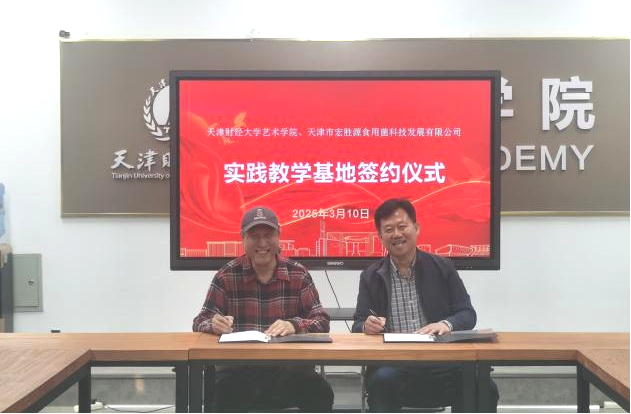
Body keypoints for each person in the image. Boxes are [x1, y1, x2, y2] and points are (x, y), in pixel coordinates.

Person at [352, 198, 499, 413]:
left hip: (444, 362)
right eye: (389, 229)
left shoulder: (443, 267)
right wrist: (367, 326)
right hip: (395, 363)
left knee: (483, 386)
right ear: (380, 237)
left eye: (402, 226)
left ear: (416, 228)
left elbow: (467, 314)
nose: (396, 234)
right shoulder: (370, 276)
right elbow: (358, 324)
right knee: (381, 381)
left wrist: (446, 324)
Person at [193, 206, 334, 412]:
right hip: (239, 372)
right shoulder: (226, 275)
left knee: (320, 392)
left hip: (288, 371)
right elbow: (199, 321)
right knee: (225, 394)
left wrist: (294, 325)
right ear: (243, 239)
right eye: (254, 236)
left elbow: (322, 320)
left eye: (268, 235)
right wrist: (213, 324)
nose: (262, 243)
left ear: (279, 237)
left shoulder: (298, 274)